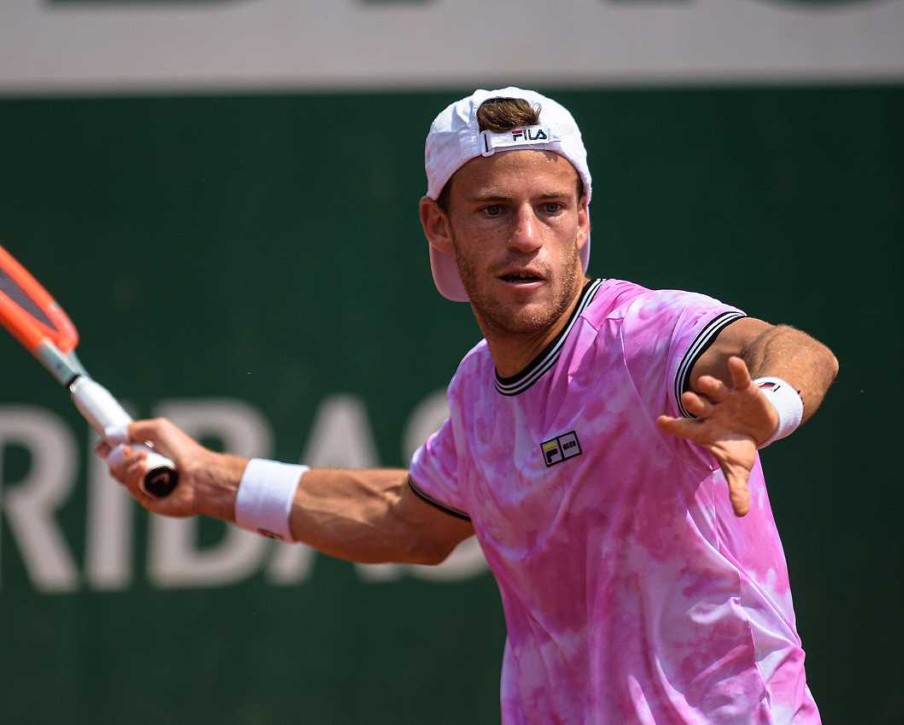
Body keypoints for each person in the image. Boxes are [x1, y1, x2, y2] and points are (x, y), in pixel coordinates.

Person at [101, 87, 838, 724]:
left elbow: (792, 348)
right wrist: (211, 481)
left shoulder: (645, 337)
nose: (526, 238)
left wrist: (768, 405)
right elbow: (406, 520)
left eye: (551, 207)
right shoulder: (477, 391)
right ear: (439, 225)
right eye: (492, 210)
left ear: (583, 219)